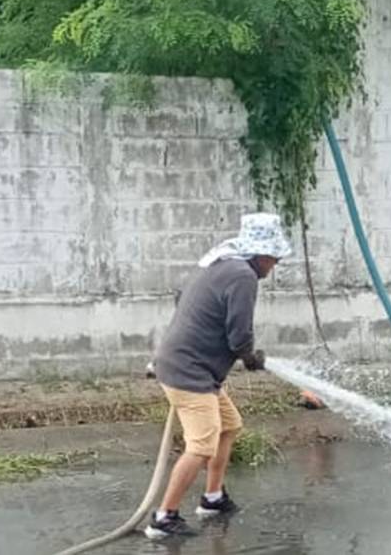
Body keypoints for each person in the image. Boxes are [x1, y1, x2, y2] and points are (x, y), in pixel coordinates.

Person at [144, 213, 292, 540]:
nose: (275, 265)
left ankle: (212, 499)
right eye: (273, 258)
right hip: (189, 373)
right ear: (259, 253)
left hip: (189, 368)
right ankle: (163, 518)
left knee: (229, 425)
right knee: (200, 447)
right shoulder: (243, 275)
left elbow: (181, 296)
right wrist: (250, 356)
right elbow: (239, 334)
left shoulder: (221, 260)